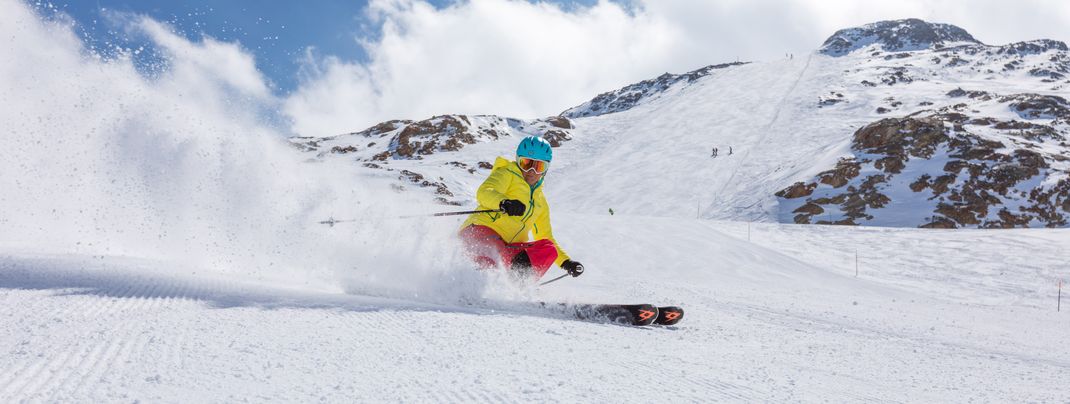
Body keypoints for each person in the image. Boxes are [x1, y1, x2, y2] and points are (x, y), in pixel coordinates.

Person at [458, 136, 584, 281]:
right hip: (480, 232)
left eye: (539, 167)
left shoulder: (540, 202)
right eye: (526, 164)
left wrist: (566, 263)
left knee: (548, 249)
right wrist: (504, 202)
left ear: (546, 169)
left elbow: (545, 236)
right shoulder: (507, 174)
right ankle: (474, 284)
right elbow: (485, 192)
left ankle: (517, 288)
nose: (531, 171)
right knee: (492, 256)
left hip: (508, 247)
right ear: (518, 161)